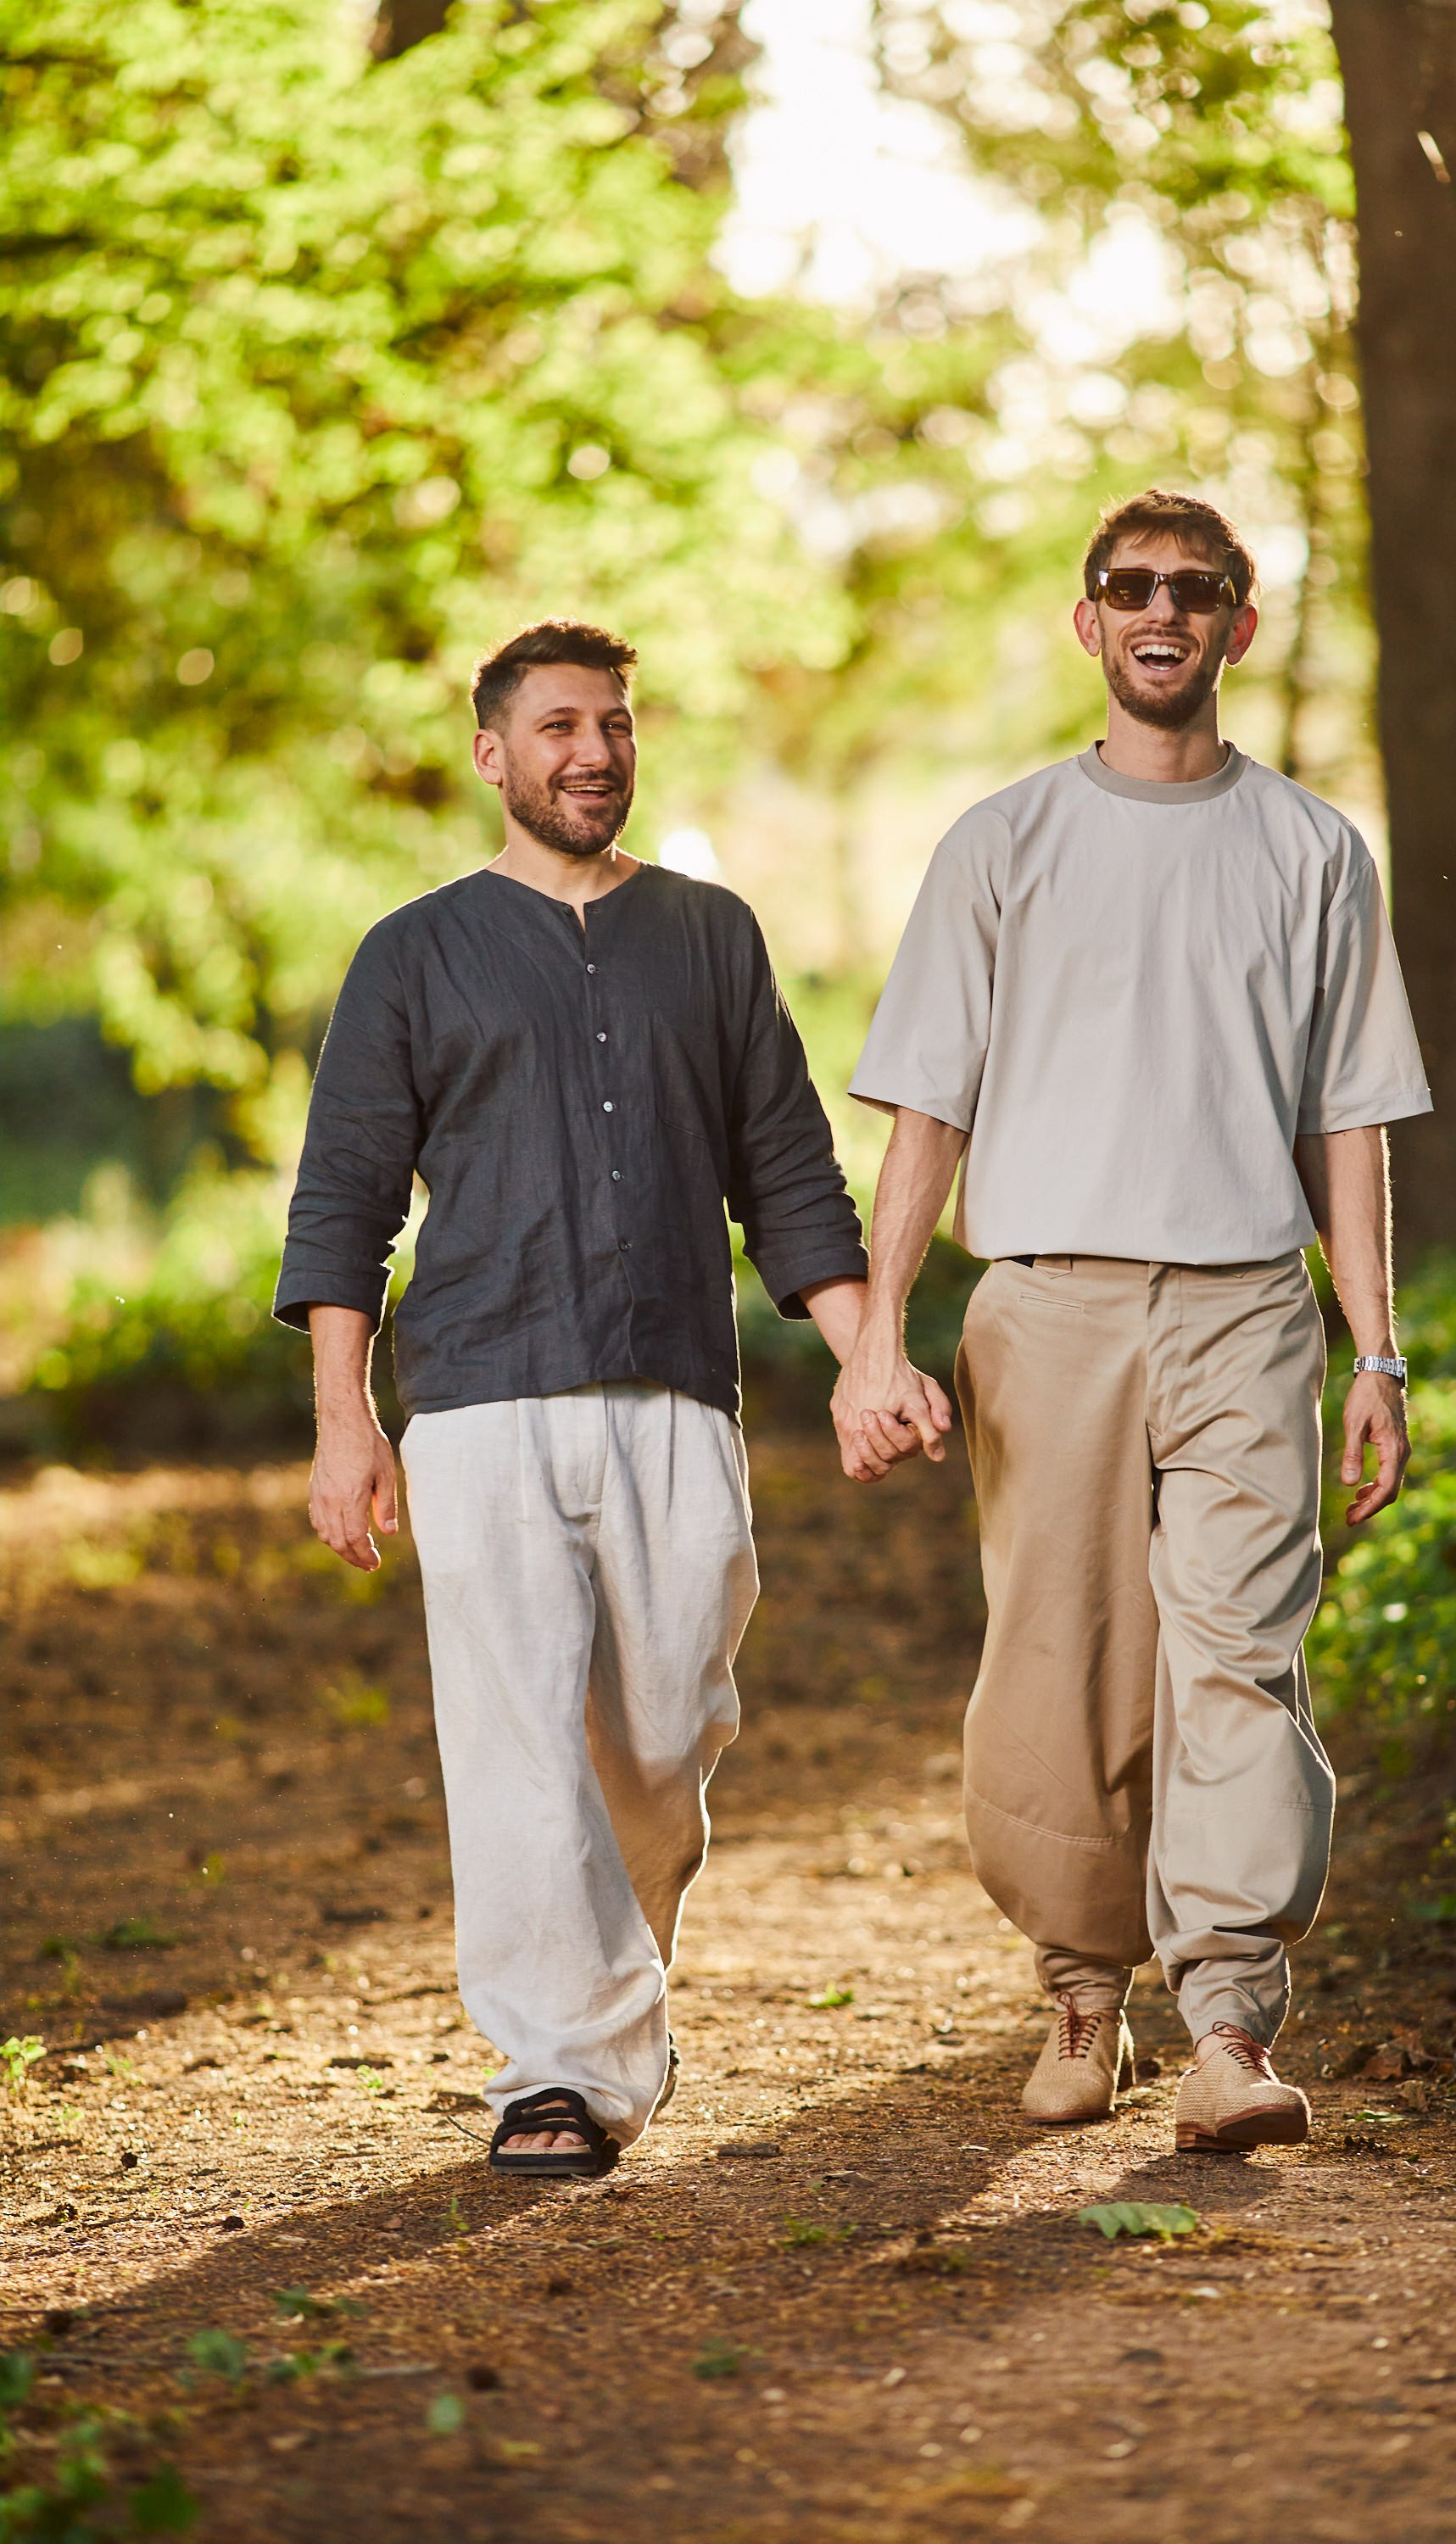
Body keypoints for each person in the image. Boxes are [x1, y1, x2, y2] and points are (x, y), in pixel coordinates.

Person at [833, 489, 1430, 2153]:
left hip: (1248, 1312)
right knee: (1061, 1665)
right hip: (1046, 1310)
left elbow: (1348, 1124)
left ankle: (1226, 2022)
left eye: (1197, 588)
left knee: (1241, 1659)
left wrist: (1375, 1352)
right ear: (1088, 621)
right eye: (1132, 586)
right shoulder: (1001, 842)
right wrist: (877, 1337)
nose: (1163, 611)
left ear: (1240, 623)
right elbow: (926, 1114)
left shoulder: (1314, 851)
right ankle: (1080, 1990)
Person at [275, 619, 868, 2178]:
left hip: (677, 1388)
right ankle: (558, 2070)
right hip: (478, 1397)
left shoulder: (711, 935)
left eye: (612, 724)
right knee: (518, 1739)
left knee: (664, 1735)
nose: (593, 752)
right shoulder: (413, 952)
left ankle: (616, 1989)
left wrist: (866, 1352)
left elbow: (788, 1172)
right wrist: (346, 1421)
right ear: (493, 753)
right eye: (558, 727)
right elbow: (345, 1202)